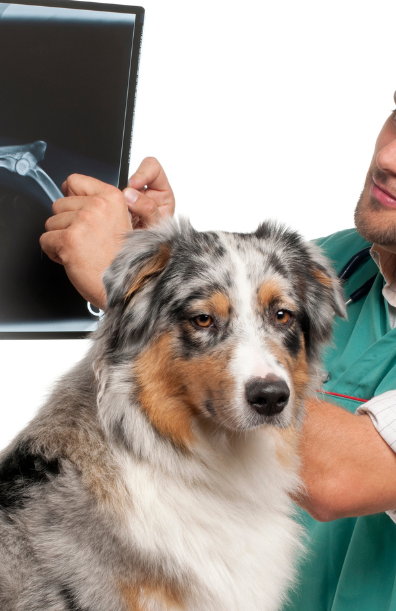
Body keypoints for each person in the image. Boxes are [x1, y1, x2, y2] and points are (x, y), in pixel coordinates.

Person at [41, 129, 396, 606]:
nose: (389, 157)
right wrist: (163, 257)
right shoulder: (331, 263)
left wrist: (133, 296)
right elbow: (219, 344)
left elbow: (341, 478)